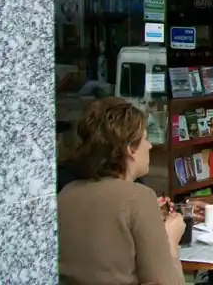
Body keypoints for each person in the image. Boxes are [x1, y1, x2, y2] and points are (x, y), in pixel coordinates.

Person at [58, 98, 186, 285]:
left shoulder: (66, 194)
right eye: (146, 138)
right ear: (129, 149)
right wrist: (170, 241)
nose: (150, 146)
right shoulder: (139, 197)